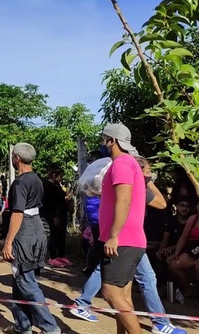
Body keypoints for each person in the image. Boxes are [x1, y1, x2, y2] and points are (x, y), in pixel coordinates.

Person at [70, 155, 187, 334]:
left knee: (123, 287)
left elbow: (158, 203)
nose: (151, 176)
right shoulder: (131, 185)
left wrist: (145, 179)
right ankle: (159, 321)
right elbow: (160, 202)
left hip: (127, 240)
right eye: (148, 172)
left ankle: (83, 303)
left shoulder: (130, 184)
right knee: (129, 284)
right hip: (127, 241)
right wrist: (145, 181)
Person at [2, 142, 61, 334]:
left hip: (24, 230)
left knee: (26, 281)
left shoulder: (20, 182)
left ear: (17, 159)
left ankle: (50, 327)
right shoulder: (37, 179)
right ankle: (22, 325)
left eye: (12, 156)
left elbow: (17, 213)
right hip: (37, 228)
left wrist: (9, 241)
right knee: (20, 278)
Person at [96, 123, 146, 334]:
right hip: (130, 239)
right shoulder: (130, 163)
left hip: (122, 240)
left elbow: (123, 200)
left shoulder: (122, 164)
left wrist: (114, 235)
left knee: (111, 293)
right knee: (123, 296)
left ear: (112, 141)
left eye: (104, 139)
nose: (102, 143)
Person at [41, 164, 72, 268]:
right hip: (53, 214)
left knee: (61, 235)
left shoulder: (57, 185)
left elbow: (60, 197)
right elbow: (50, 203)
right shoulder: (47, 186)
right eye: (59, 176)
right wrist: (55, 216)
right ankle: (52, 256)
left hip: (61, 213)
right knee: (54, 234)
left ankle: (61, 255)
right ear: (54, 175)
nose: (60, 178)